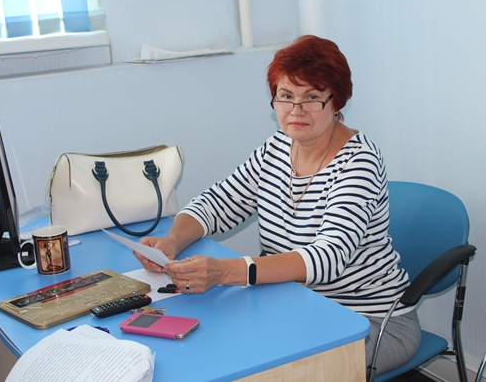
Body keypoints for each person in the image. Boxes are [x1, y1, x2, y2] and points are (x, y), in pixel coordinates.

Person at [134, 35, 421, 373]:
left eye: (311, 97)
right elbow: (217, 203)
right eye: (286, 96)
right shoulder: (278, 147)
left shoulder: (359, 163)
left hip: (366, 323)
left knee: (263, 369)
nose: (296, 110)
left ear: (336, 100)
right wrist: (171, 242)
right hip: (295, 305)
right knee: (211, 346)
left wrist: (226, 272)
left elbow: (327, 258)